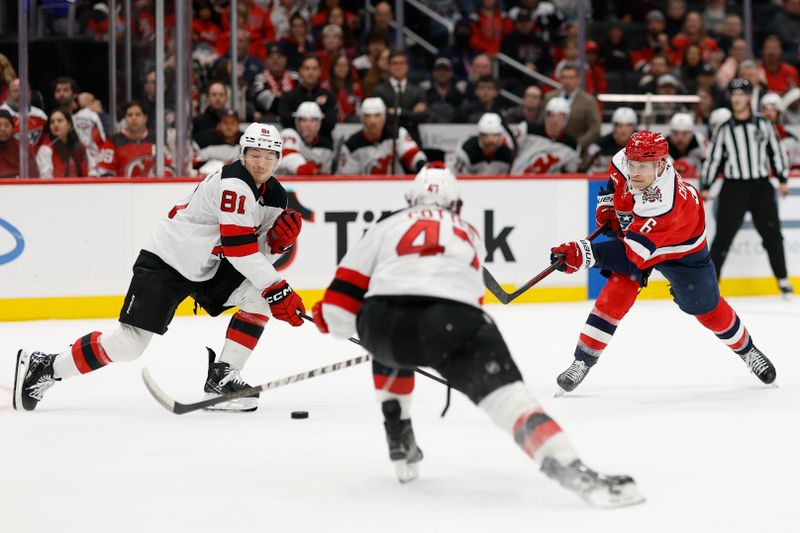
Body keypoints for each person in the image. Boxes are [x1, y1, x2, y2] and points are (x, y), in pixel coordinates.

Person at [310, 163, 644, 508]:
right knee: (513, 402)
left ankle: (398, 431)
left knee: (390, 336)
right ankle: (575, 471)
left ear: (410, 200)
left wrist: (337, 321)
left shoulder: (384, 227)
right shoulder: (466, 231)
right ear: (456, 204)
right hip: (453, 325)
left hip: (383, 326)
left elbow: (337, 312)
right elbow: (470, 300)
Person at [14, 123, 306, 414]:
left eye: (269, 156)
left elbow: (256, 256)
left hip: (210, 264)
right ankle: (46, 366)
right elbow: (240, 251)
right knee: (128, 344)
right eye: (255, 154)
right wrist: (279, 288)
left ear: (278, 159)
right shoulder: (234, 183)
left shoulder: (275, 196)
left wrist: (276, 246)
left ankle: (223, 377)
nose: (262, 163)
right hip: (169, 260)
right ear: (243, 154)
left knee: (259, 295)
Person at [551, 130, 778, 394]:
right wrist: (607, 205)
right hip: (641, 238)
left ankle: (747, 350)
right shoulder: (623, 160)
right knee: (616, 294)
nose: (634, 172)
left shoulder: (665, 203)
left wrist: (584, 253)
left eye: (642, 167)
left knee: (706, 307)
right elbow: (614, 184)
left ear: (661, 165)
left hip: (682, 250)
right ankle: (582, 361)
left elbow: (629, 255)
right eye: (632, 164)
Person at [700, 79, 793, 297]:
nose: (737, 98)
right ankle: (712, 284)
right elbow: (714, 159)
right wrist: (706, 185)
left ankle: (782, 279)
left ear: (749, 97)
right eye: (734, 94)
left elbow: (776, 151)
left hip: (761, 186)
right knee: (723, 236)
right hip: (734, 188)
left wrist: (782, 178)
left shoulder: (763, 124)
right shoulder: (724, 128)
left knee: (772, 234)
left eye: (741, 94)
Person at [337, 97, 427, 175]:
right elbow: (347, 177)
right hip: (365, 190)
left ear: (384, 118)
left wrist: (422, 166)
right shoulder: (351, 145)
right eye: (368, 116)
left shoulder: (397, 133)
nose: (372, 121)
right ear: (362, 119)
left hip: (396, 188)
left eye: (377, 116)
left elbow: (413, 156)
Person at [540, 63, 601, 166]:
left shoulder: (588, 101)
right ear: (560, 79)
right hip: (548, 152)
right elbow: (541, 121)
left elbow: (595, 129)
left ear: (578, 80)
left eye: (571, 77)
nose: (567, 81)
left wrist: (577, 144)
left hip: (576, 155)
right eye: (564, 77)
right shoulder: (549, 97)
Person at [512, 97, 580, 174]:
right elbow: (509, 150)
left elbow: (570, 174)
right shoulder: (527, 130)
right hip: (517, 180)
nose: (555, 120)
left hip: (548, 185)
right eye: (552, 115)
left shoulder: (572, 145)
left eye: (560, 116)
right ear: (545, 116)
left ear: (566, 119)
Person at [278, 54, 337, 137]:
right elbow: (284, 119)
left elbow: (331, 122)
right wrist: (319, 117)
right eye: (307, 68)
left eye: (314, 68)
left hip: (322, 143)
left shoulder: (329, 96)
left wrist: (298, 116)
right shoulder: (289, 95)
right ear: (300, 71)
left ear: (320, 71)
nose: (310, 72)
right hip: (296, 141)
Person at [98, 101, 161, 178]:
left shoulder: (157, 140)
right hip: (122, 189)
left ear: (145, 118)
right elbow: (105, 172)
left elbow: (169, 167)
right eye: (129, 115)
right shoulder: (113, 142)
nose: (133, 118)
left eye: (138, 114)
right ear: (125, 118)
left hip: (152, 188)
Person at [279, 101, 334, 175]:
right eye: (304, 120)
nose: (308, 124)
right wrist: (310, 169)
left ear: (318, 123)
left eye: (312, 120)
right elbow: (291, 161)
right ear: (297, 123)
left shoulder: (326, 146)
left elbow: (326, 178)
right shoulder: (289, 135)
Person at [36, 108, 90, 178]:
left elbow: (89, 171)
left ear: (69, 124)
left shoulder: (80, 146)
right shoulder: (46, 149)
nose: (56, 124)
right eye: (52, 122)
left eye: (60, 121)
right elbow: (46, 178)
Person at [584, 107, 637, 174]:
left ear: (634, 127)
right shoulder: (599, 147)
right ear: (614, 127)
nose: (624, 130)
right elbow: (587, 172)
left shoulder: (642, 145)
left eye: (628, 126)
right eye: (620, 125)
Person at [0, 79, 49, 148]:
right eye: (15, 91)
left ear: (30, 93)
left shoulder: (41, 116)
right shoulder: (1, 114)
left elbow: (46, 141)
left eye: (23, 90)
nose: (20, 94)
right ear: (8, 94)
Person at [761, 92, 800, 172]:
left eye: (772, 109)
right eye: (765, 109)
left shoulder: (789, 137)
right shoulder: (756, 135)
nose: (768, 113)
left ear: (780, 114)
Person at [666, 112, 709, 179]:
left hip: (696, 182)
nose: (680, 138)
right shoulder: (663, 145)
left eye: (684, 134)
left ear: (691, 133)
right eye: (675, 133)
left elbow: (709, 162)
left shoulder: (700, 142)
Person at [0, 109, 39, 178]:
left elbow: (34, 175)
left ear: (12, 127)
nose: (3, 129)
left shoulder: (23, 147)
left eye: (6, 125)